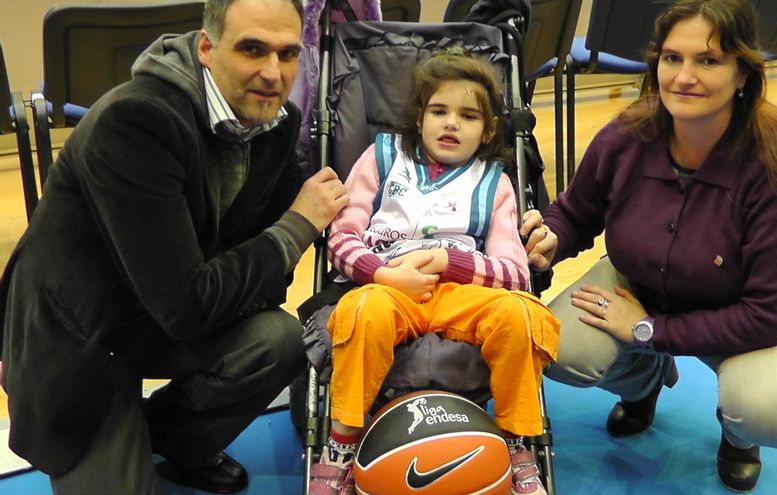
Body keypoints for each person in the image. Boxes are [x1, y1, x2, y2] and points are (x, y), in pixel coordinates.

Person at [0, 0, 349, 493]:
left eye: (288, 54)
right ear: (207, 47)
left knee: (281, 340)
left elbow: (265, 279)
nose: (274, 73)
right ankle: (113, 428)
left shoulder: (276, 122)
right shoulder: (134, 120)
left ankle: (173, 439)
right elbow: (190, 303)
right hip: (81, 337)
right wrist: (298, 225)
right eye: (253, 49)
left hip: (165, 309)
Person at [522, 0, 777, 492]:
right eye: (672, 58)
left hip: (751, 311)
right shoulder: (625, 136)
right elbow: (578, 212)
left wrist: (647, 330)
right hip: (642, 282)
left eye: (708, 61)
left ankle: (738, 434)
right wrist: (551, 236)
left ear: (742, 74)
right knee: (558, 348)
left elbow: (766, 317)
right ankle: (644, 382)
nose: (684, 76)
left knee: (773, 412)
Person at [306, 49, 560, 495]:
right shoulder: (381, 158)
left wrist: (449, 262)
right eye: (438, 111)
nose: (450, 123)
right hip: (389, 284)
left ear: (488, 131)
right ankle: (343, 442)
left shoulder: (494, 182)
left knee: (521, 313)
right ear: (419, 117)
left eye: (467, 115)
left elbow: (516, 275)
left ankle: (517, 440)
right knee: (363, 310)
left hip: (461, 292)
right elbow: (341, 240)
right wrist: (381, 276)